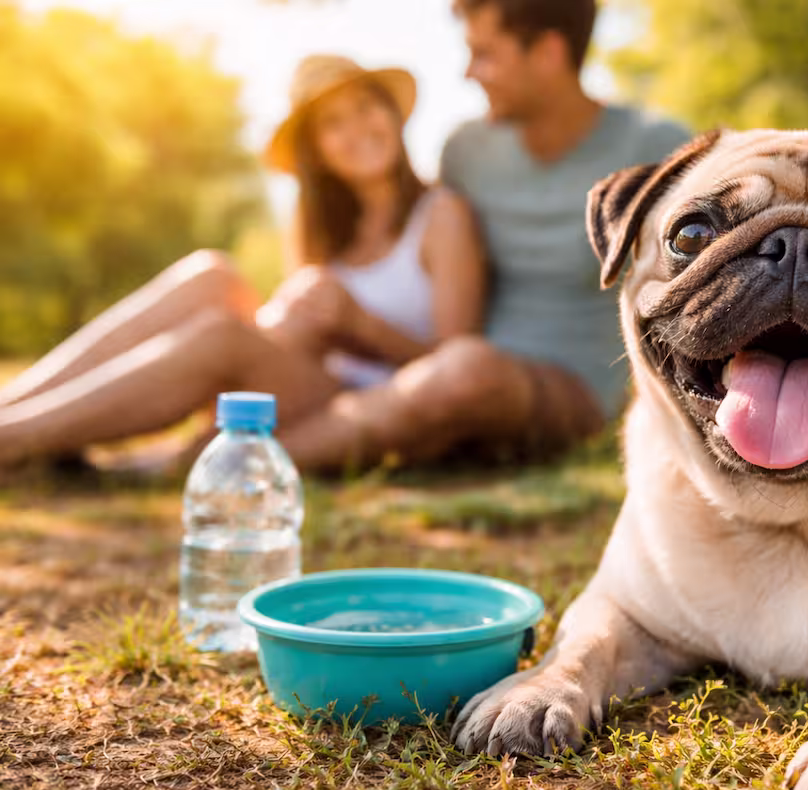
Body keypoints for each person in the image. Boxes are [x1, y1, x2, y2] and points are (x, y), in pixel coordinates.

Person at [260, 0, 692, 468]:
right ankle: (215, 443)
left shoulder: (655, 148)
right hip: (455, 376)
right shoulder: (467, 153)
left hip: (572, 389)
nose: (468, 73)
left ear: (547, 53)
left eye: (484, 54)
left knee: (468, 370)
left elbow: (699, 285)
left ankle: (258, 459)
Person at [0, 55, 485, 471]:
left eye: (365, 107)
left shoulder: (441, 216)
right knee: (211, 275)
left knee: (224, 336)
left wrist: (360, 324)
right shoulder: (316, 222)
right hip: (305, 377)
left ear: (390, 111)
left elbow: (456, 369)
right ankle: (11, 410)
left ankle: (14, 441)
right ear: (316, 150)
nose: (357, 129)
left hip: (367, 400)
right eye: (333, 123)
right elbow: (306, 336)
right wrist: (301, 319)